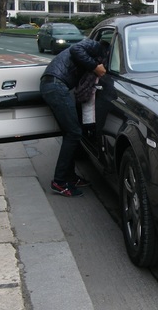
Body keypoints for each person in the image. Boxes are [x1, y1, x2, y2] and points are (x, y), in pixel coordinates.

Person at [40, 37, 108, 197]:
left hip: (54, 85)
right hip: (56, 86)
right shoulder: (95, 45)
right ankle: (59, 181)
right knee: (74, 133)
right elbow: (75, 49)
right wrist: (94, 67)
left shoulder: (95, 50)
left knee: (69, 133)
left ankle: (69, 177)